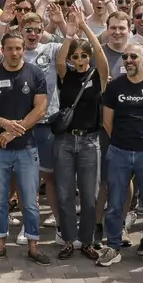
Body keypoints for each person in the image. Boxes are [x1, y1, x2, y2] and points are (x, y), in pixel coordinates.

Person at [0, 26, 51, 261]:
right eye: (10, 49)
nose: (14, 53)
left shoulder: (35, 74)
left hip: (27, 148)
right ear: (3, 50)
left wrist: (13, 132)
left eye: (18, 48)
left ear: (23, 49)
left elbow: (40, 109)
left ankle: (34, 245)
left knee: (30, 200)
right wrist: (6, 124)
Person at [99, 40, 143, 269]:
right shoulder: (114, 87)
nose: (128, 60)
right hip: (119, 151)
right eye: (125, 57)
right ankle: (113, 246)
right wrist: (123, 141)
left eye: (133, 57)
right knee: (115, 203)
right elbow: (107, 122)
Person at [47, 35, 108, 263]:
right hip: (64, 140)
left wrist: (85, 28)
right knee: (64, 194)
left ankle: (87, 241)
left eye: (83, 56)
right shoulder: (67, 75)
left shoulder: (98, 76)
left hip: (89, 141)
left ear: (89, 56)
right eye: (75, 56)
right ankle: (69, 240)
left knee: (90, 196)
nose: (80, 60)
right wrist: (70, 34)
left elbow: (102, 57)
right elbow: (59, 61)